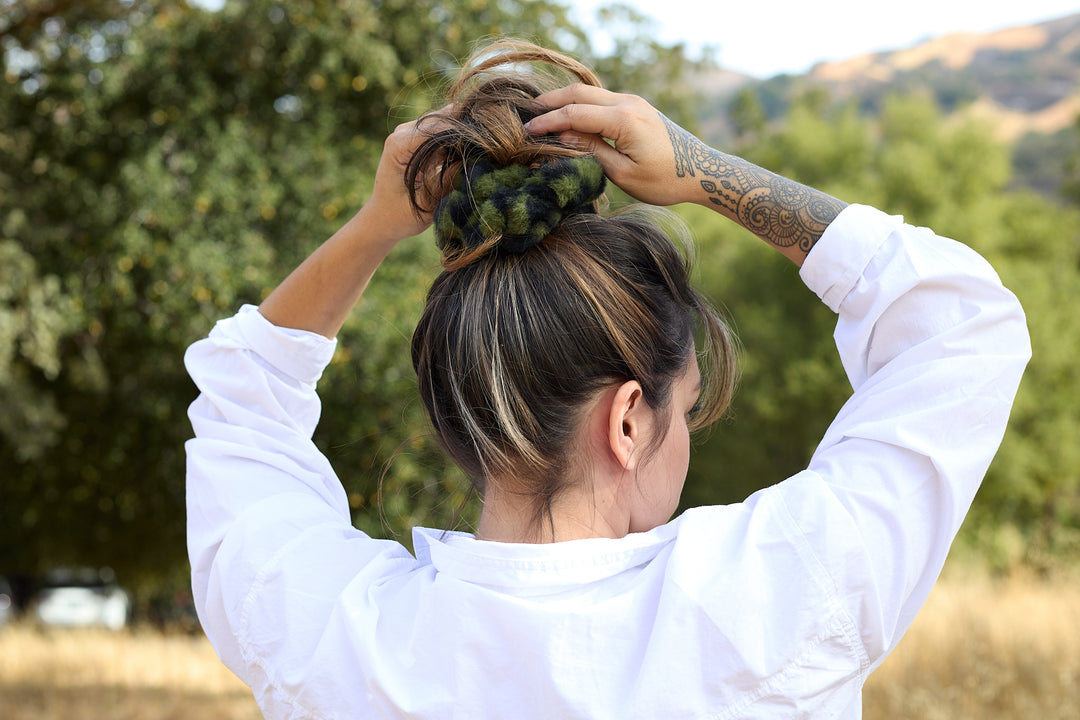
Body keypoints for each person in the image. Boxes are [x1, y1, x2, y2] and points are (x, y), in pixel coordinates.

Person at [185, 40, 1030, 719]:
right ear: (628, 420)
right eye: (685, 411)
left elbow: (244, 397)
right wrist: (703, 171)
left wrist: (377, 224)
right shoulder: (775, 597)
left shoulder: (332, 641)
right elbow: (961, 324)